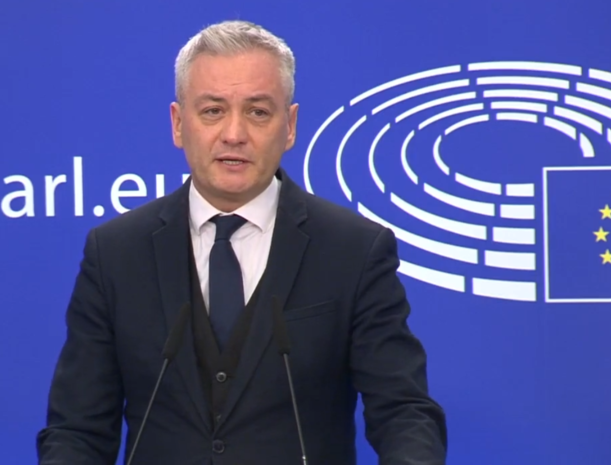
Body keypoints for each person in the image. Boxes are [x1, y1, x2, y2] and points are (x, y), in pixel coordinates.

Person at [36, 19, 447, 465]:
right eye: (213, 111)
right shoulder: (116, 253)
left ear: (290, 126)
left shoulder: (353, 249)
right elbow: (76, 432)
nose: (234, 134)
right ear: (178, 124)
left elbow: (404, 412)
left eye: (258, 112)